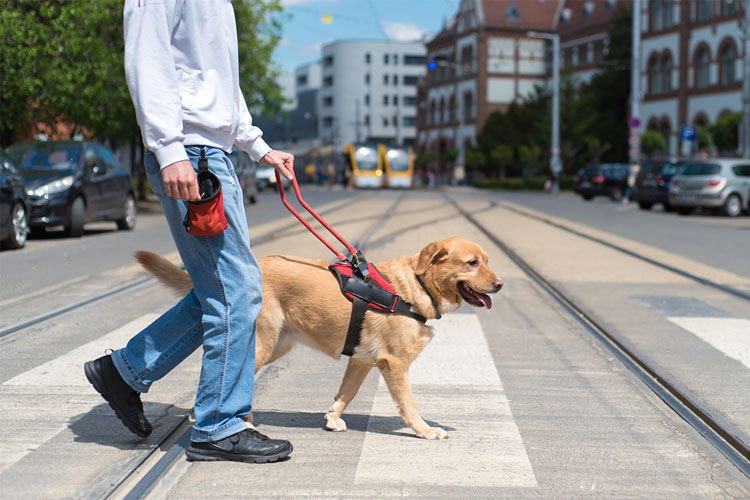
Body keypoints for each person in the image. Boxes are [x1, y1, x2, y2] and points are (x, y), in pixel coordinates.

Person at [83, 0, 295, 464]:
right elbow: (148, 57)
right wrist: (168, 147)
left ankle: (124, 372)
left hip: (212, 153)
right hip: (191, 154)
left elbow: (219, 81)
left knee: (221, 289)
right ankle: (219, 425)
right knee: (237, 290)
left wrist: (258, 147)